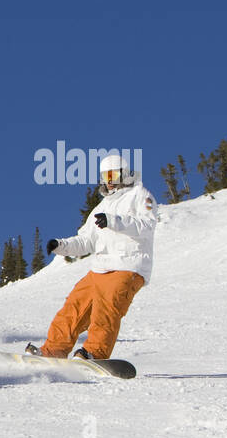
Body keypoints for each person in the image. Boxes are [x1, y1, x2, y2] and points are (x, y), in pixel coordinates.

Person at [29, 153, 156, 360]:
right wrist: (61, 246)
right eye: (105, 176)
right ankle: (53, 350)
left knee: (105, 310)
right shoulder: (102, 207)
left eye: (113, 175)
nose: (110, 181)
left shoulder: (140, 196)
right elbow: (86, 240)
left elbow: (147, 225)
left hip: (128, 266)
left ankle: (94, 353)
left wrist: (114, 222)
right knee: (74, 306)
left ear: (124, 174)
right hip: (101, 268)